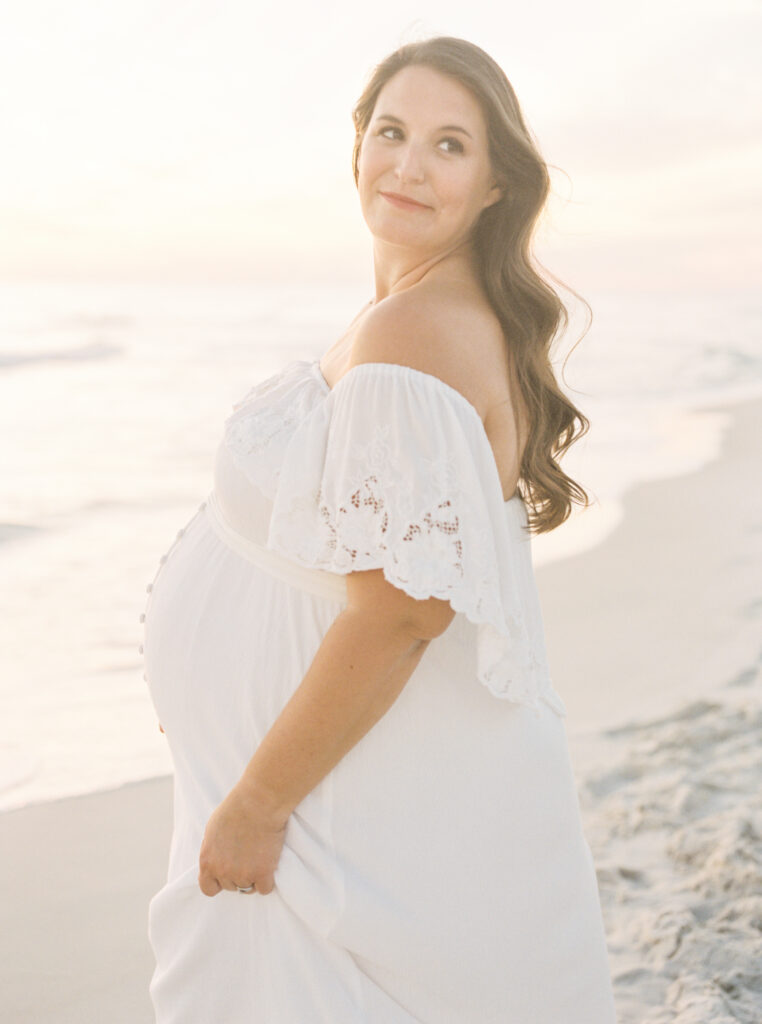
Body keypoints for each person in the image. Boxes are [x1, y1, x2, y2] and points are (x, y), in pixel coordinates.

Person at [141, 34, 617, 1023]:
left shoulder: (415, 334)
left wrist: (259, 800)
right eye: (393, 130)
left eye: (450, 145)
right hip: (336, 796)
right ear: (357, 143)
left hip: (329, 823)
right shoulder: (413, 312)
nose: (408, 163)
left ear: (494, 186)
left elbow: (401, 613)